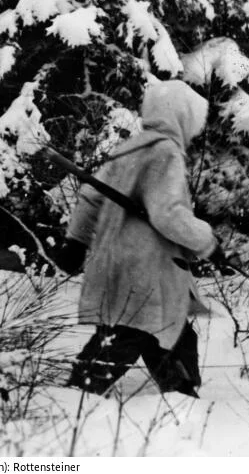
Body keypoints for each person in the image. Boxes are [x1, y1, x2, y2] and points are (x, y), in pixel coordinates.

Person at [63, 79, 220, 398]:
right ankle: (73, 402)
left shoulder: (129, 149)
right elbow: (169, 215)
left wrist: (75, 241)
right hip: (144, 271)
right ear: (182, 115)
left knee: (169, 333)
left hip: (123, 265)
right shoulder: (165, 152)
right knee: (128, 334)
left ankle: (181, 398)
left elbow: (91, 196)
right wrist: (208, 241)